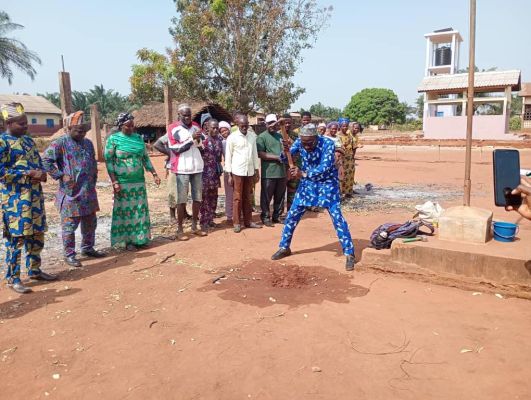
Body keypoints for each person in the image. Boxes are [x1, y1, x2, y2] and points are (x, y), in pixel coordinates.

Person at [271, 123, 355, 271]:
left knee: (337, 218)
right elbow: (285, 159)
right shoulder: (300, 142)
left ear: (316, 138)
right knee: (292, 216)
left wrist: (302, 173)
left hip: (327, 184)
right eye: (304, 143)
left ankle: (349, 253)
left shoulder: (327, 143)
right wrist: (285, 152)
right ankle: (284, 247)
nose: (306, 146)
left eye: (309, 143)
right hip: (307, 185)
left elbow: (326, 166)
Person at [0, 102, 56, 293]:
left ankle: (34, 270)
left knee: (36, 235)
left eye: (26, 123)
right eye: (21, 123)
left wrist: (42, 173)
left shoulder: (29, 141)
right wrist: (29, 174)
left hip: (34, 197)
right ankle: (13, 277)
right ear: (9, 123)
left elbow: (39, 163)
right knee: (17, 238)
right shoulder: (2, 142)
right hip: (15, 200)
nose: (26, 126)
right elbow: (1, 172)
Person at [42, 111, 105, 268]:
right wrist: (60, 175)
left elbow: (92, 163)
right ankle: (69, 254)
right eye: (78, 130)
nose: (82, 133)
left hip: (88, 191)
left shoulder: (88, 143)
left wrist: (93, 180)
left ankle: (88, 248)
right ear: (68, 129)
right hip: (71, 193)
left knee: (90, 222)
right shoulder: (60, 143)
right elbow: (45, 161)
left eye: (84, 130)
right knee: (69, 226)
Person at [104, 113, 161, 250]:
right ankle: (128, 241)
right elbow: (109, 161)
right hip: (123, 182)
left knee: (139, 210)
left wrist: (154, 173)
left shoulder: (138, 138)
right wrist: (114, 182)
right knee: (126, 211)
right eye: (127, 126)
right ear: (120, 125)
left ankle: (140, 239)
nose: (130, 128)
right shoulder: (113, 139)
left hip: (138, 181)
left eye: (132, 126)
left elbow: (145, 158)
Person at [167, 104, 206, 240]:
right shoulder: (173, 128)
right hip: (182, 168)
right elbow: (175, 148)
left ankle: (195, 226)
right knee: (181, 199)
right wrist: (191, 139)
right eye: (184, 115)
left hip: (197, 167)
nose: (188, 117)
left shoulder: (196, 126)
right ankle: (180, 229)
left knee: (197, 198)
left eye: (189, 114)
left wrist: (200, 140)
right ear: (179, 115)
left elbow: (202, 146)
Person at [224, 114, 261, 233]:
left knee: (248, 197)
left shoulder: (252, 137)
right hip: (237, 171)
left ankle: (248, 221)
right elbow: (228, 157)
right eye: (242, 126)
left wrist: (256, 170)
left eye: (246, 126)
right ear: (238, 125)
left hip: (249, 171)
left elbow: (255, 154)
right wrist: (229, 174)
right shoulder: (232, 137)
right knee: (237, 198)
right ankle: (236, 223)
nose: (244, 128)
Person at [257, 114, 287, 226]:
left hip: (281, 172)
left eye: (274, 123)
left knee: (280, 196)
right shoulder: (261, 137)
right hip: (269, 172)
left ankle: (277, 216)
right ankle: (265, 218)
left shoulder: (280, 136)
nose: (272, 125)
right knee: (266, 197)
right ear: (266, 124)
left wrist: (284, 153)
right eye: (270, 123)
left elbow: (285, 150)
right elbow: (261, 154)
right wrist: (277, 157)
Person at [199, 119, 223, 232]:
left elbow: (219, 157)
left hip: (215, 173)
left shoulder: (219, 140)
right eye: (213, 128)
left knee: (214, 196)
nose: (215, 130)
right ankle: (203, 221)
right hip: (204, 173)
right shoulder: (202, 140)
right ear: (207, 127)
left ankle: (210, 219)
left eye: (217, 128)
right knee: (204, 198)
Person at [219, 121, 234, 224]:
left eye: (225, 130)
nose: (224, 132)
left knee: (238, 193)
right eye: (222, 131)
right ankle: (229, 216)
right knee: (229, 194)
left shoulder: (235, 139)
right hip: (228, 170)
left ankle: (238, 214)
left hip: (238, 170)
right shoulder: (222, 143)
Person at [338, 117, 355, 197]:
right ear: (340, 126)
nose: (345, 127)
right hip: (341, 159)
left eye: (346, 126)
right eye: (343, 126)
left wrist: (353, 157)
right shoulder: (337, 136)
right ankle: (340, 193)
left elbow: (352, 146)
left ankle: (348, 192)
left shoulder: (350, 136)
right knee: (341, 175)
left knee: (350, 175)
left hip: (349, 158)